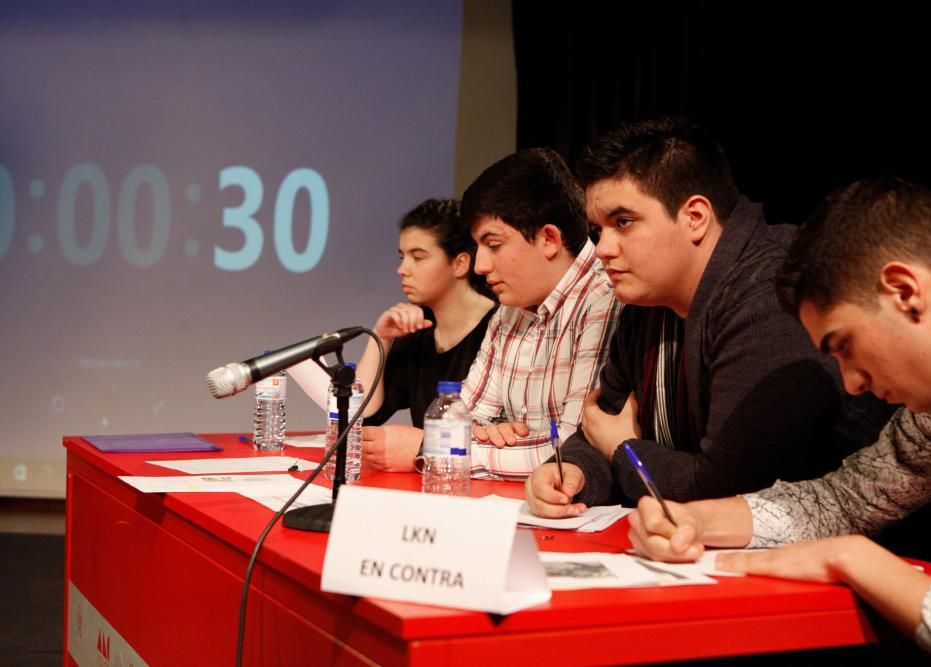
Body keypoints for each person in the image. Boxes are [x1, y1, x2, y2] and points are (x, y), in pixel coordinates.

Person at [628, 177, 931, 666]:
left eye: (844, 346)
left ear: (904, 291)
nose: (851, 384)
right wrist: (693, 518)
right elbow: (844, 500)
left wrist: (854, 559)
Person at [527, 117, 891, 516]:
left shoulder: (770, 292)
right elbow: (601, 422)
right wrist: (572, 473)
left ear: (695, 217)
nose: (602, 249)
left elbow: (729, 492)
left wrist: (623, 451)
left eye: (623, 222)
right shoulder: (644, 297)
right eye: (598, 230)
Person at [288, 198, 497, 471]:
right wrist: (381, 338)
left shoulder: (501, 329)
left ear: (460, 264)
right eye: (402, 257)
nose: (402, 269)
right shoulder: (418, 331)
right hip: (431, 483)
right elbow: (361, 416)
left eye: (418, 257)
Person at [459, 147, 621, 480]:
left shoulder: (604, 297)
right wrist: (486, 436)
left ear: (549, 239)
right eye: (477, 247)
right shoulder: (511, 306)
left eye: (493, 244)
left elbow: (573, 452)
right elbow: (461, 418)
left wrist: (454, 450)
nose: (480, 265)